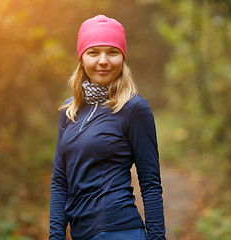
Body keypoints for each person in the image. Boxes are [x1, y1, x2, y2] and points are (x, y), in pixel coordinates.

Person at [49, 15, 166, 240]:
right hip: (81, 234)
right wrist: (56, 236)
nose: (103, 60)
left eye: (112, 52)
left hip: (120, 231)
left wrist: (157, 238)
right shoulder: (69, 110)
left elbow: (150, 183)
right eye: (94, 52)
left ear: (122, 57)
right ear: (82, 58)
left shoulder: (134, 108)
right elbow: (60, 180)